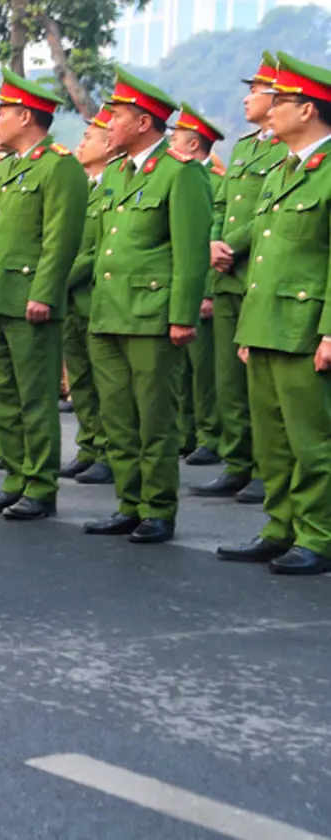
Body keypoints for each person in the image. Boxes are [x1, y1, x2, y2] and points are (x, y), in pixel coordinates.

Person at [77, 71, 208, 544]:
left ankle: (158, 508)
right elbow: (101, 248)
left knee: (154, 417)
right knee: (118, 417)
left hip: (152, 317)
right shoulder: (115, 173)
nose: (109, 124)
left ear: (144, 122)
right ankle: (128, 503)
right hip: (109, 312)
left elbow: (192, 253)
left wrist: (181, 316)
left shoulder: (180, 174)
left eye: (118, 116)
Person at [213, 54, 331, 573]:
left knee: (312, 442)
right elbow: (265, 254)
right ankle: (280, 526)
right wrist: (248, 327)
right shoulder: (283, 169)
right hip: (265, 325)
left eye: (280, 102)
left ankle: (319, 536)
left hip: (305, 329)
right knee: (274, 440)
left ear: (307, 110)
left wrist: (330, 332)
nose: (268, 110)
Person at [0, 67, 87, 520]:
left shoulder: (59, 167)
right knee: (1, 393)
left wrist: (45, 293)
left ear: (26, 117)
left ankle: (39, 484)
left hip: (28, 299)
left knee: (34, 396)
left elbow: (60, 238)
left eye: (3, 114)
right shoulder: (5, 170)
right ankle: (15, 477)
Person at [201, 53, 288, 504]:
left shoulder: (284, 151)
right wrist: (215, 242)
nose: (246, 98)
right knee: (228, 380)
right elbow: (222, 205)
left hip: (253, 272)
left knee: (259, 382)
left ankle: (261, 466)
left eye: (254, 91)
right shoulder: (246, 147)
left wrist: (230, 245)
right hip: (227, 274)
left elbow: (268, 216)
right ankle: (236, 462)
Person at [58, 110, 117, 486]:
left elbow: (101, 249)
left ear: (108, 144)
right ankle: (90, 445)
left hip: (95, 295)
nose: (81, 145)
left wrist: (59, 278)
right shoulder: (85, 185)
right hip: (72, 299)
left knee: (103, 381)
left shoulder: (115, 185)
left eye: (88, 139)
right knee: (79, 378)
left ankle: (110, 450)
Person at [166, 104, 225, 467]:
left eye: (174, 139)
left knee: (204, 373)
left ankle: (209, 435)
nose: (169, 144)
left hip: (203, 289)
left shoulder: (213, 182)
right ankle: (184, 432)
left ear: (192, 145)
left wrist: (205, 291)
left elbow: (205, 241)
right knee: (182, 371)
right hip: (176, 289)